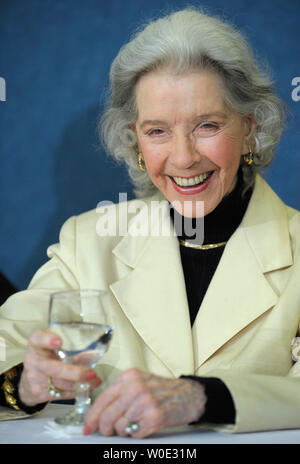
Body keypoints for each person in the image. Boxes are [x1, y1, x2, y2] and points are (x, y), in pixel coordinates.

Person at [1, 7, 300, 438]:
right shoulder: (88, 241)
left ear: (250, 129)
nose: (183, 157)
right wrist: (24, 384)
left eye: (207, 126)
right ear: (135, 141)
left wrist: (203, 398)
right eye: (157, 131)